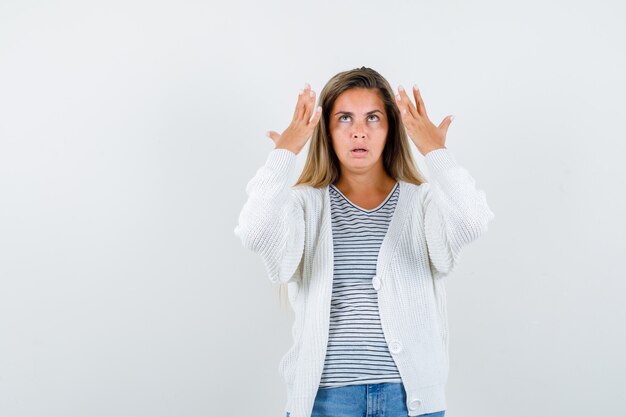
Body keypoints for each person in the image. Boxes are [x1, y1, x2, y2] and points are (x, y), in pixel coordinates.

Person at [233, 66, 495, 417]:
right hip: (325, 402)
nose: (359, 132)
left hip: (410, 402)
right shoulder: (306, 206)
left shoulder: (421, 204)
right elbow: (256, 231)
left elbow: (472, 220)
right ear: (325, 130)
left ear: (391, 130)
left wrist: (434, 151)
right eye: (344, 118)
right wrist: (285, 154)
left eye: (373, 118)